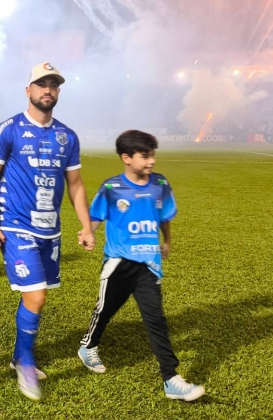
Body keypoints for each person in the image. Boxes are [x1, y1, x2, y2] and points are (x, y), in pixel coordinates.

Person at [0, 62, 96, 401]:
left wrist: (86, 225)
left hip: (51, 230)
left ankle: (20, 354)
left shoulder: (67, 136)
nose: (48, 89)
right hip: (16, 226)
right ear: (28, 90)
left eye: (54, 85)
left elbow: (74, 185)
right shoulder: (8, 130)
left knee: (36, 295)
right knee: (37, 294)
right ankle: (25, 362)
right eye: (41, 84)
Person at [77, 130, 205, 401]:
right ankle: (88, 346)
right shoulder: (112, 188)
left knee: (156, 319)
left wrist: (167, 240)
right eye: (144, 156)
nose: (151, 161)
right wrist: (88, 233)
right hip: (119, 263)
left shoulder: (160, 183)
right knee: (105, 310)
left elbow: (164, 214)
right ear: (126, 158)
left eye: (153, 155)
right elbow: (96, 216)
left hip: (149, 264)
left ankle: (171, 378)